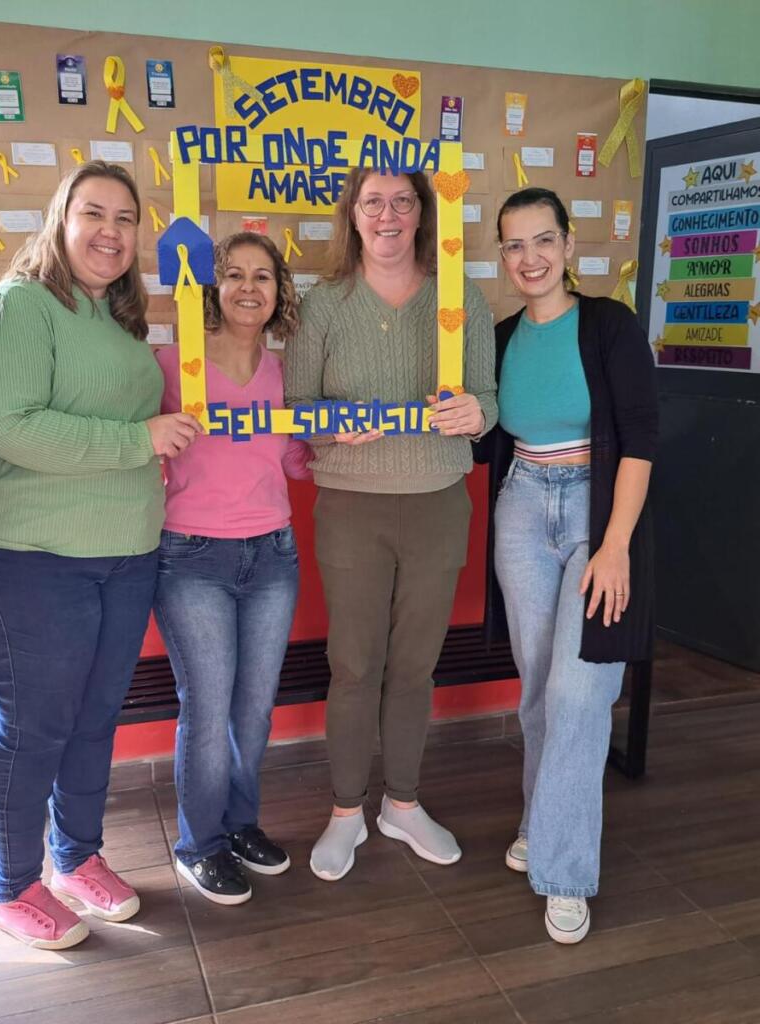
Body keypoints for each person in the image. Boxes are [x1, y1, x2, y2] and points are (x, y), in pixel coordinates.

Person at [0, 161, 201, 949]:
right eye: (93, 213)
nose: (110, 232)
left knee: (94, 720)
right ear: (59, 220)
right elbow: (6, 424)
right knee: (35, 727)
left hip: (124, 556)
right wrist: (136, 441)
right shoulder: (22, 305)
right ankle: (9, 885)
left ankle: (76, 856)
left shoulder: (117, 319)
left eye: (125, 219)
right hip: (30, 558)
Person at [284, 166, 497, 881]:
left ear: (421, 214)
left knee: (415, 666)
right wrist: (329, 425)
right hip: (351, 507)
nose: (387, 215)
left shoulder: (459, 296)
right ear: (352, 214)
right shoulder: (323, 304)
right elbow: (297, 409)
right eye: (372, 201)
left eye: (402, 201)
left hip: (438, 502)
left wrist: (477, 413)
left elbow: (487, 399)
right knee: (353, 665)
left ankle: (401, 804)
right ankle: (347, 810)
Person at [485, 187, 656, 944]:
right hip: (523, 504)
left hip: (599, 510)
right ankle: (540, 818)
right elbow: (482, 435)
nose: (530, 258)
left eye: (543, 240)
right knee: (537, 690)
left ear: (568, 243)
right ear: (502, 255)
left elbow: (640, 438)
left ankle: (564, 871)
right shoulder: (500, 338)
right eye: (514, 245)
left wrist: (615, 546)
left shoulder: (610, 324)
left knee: (578, 692)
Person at [154, 233, 312, 904]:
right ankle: (200, 843)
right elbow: (146, 449)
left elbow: (293, 460)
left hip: (273, 554)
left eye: (263, 276)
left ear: (279, 292)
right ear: (212, 288)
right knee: (208, 706)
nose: (249, 287)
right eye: (235, 275)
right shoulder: (170, 363)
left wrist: (337, 442)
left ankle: (240, 823)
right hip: (193, 557)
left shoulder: (285, 372)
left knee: (253, 709)